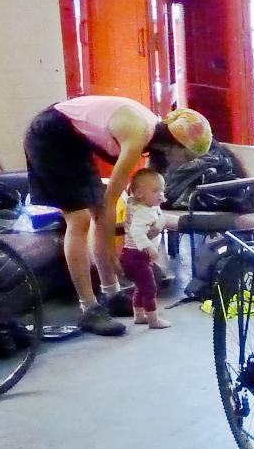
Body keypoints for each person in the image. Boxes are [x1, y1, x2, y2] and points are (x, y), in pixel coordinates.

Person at [22, 96, 211, 336]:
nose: (186, 163)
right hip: (49, 134)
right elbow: (111, 200)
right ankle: (89, 309)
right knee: (79, 219)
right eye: (189, 157)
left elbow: (129, 204)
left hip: (74, 141)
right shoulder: (138, 134)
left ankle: (111, 294)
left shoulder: (152, 140)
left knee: (97, 210)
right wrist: (110, 250)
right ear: (176, 145)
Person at [120, 169, 171, 330]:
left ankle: (139, 315)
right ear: (139, 193)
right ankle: (153, 319)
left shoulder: (143, 206)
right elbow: (136, 232)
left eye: (162, 190)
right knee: (150, 287)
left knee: (141, 286)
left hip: (131, 255)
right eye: (155, 191)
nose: (160, 195)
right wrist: (149, 248)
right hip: (137, 256)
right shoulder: (142, 212)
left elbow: (159, 214)